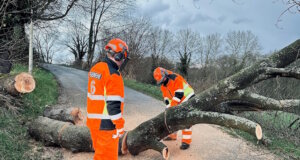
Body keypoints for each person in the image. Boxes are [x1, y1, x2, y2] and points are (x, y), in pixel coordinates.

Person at [86, 38, 129, 160]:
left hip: (93, 123)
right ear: (119, 56)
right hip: (106, 125)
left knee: (99, 155)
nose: (123, 61)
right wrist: (120, 126)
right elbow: (113, 105)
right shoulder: (113, 74)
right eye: (123, 58)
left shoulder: (96, 68)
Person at [153, 67, 195, 150]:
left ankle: (186, 142)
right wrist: (168, 108)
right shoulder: (163, 85)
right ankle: (173, 135)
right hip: (178, 100)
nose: (162, 82)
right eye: (161, 81)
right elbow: (166, 99)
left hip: (188, 98)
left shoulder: (175, 78)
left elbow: (179, 94)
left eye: (163, 79)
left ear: (165, 74)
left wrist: (172, 107)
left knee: (186, 120)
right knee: (173, 118)